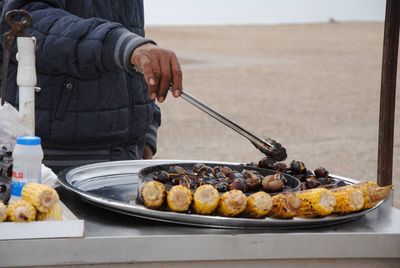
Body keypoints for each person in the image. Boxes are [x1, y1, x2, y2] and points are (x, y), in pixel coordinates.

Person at [0, 0, 183, 172]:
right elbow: (24, 19)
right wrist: (116, 43)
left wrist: (147, 130)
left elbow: (131, 37)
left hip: (126, 156)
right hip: (55, 161)